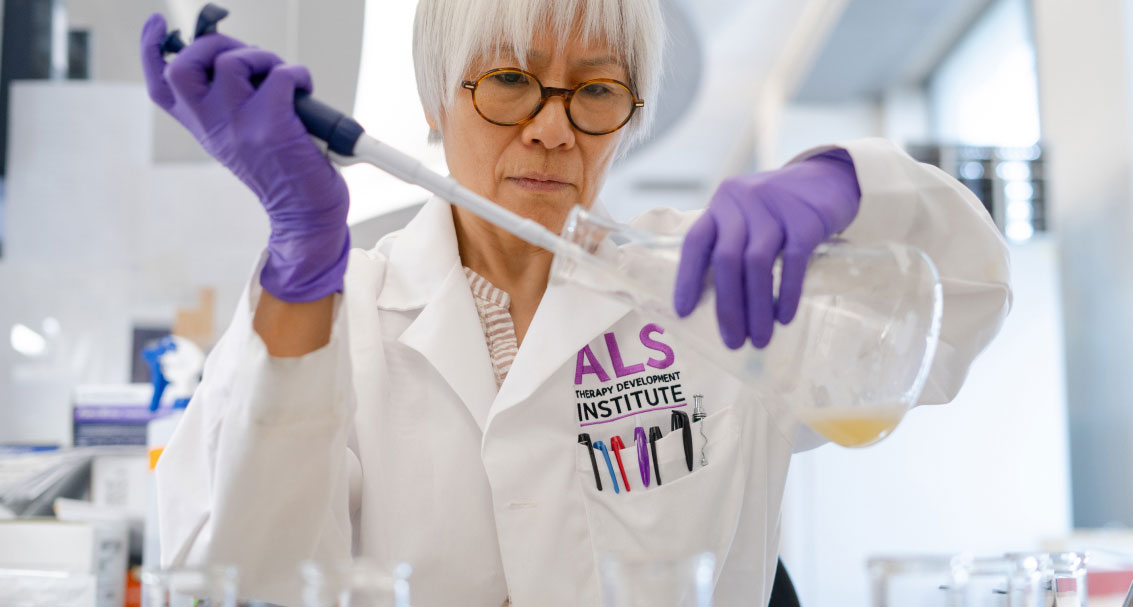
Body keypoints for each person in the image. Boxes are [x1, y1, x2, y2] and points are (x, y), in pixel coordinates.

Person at [140, 0, 1012, 604]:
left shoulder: (710, 288)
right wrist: (300, 272)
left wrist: (848, 183)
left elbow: (964, 300)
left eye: (595, 91)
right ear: (436, 102)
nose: (552, 129)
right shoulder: (335, 315)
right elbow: (248, 583)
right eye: (510, 81)